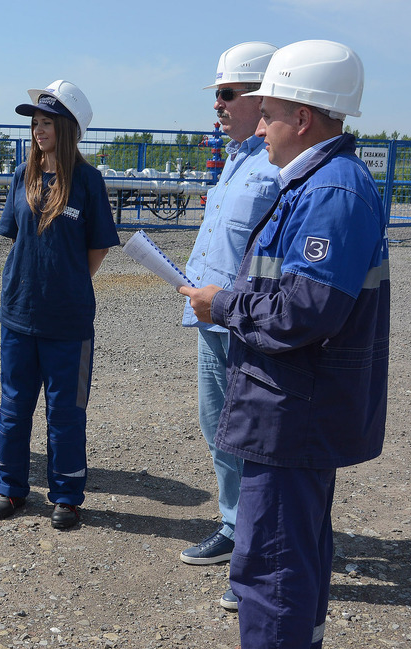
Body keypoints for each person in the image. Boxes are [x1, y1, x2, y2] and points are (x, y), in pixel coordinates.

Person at [180, 40, 389, 649]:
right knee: (297, 547)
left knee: (268, 553)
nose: (256, 125)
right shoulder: (321, 181)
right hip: (296, 403)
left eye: (266, 113)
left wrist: (224, 305)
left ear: (303, 116)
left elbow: (306, 311)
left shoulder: (330, 191)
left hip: (292, 405)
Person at [0, 80, 119, 529]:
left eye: (48, 122)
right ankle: (11, 488)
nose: (39, 130)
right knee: (14, 406)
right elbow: (17, 237)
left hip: (68, 320)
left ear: (70, 129)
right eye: (36, 123)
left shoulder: (87, 182)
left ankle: (66, 496)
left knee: (66, 412)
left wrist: (67, 283)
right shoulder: (22, 177)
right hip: (19, 314)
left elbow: (97, 247)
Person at [177, 44, 280, 611]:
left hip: (250, 325)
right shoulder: (238, 158)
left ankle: (260, 552)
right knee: (218, 426)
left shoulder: (282, 165)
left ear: (261, 97)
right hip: (210, 318)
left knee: (256, 437)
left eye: (226, 94)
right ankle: (234, 525)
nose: (217, 105)